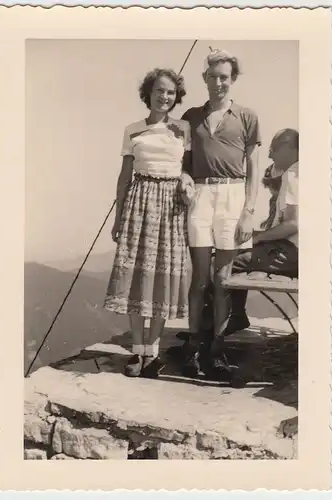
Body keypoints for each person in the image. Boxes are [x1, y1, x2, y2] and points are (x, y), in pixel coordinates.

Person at [104, 68, 191, 379]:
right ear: (148, 93)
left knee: (163, 278)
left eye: (170, 92)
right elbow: (124, 176)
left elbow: (190, 168)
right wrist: (118, 217)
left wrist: (186, 182)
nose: (164, 96)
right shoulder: (133, 130)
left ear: (176, 96)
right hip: (139, 204)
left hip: (171, 206)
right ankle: (136, 350)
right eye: (159, 90)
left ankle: (152, 353)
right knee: (136, 277)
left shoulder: (184, 130)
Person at [180, 48, 261, 378]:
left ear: (233, 79)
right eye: (212, 77)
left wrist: (248, 212)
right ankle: (195, 346)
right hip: (200, 193)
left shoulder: (247, 116)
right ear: (204, 79)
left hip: (233, 193)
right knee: (199, 278)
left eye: (224, 77)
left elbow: (254, 167)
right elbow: (183, 164)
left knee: (222, 279)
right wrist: (185, 179)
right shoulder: (190, 117)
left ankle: (217, 348)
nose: (218, 83)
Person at [225, 128, 299, 335]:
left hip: (294, 252)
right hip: (300, 249)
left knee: (222, 261)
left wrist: (257, 238)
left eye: (274, 149)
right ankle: (234, 316)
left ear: (289, 148)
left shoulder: (294, 173)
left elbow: (294, 224)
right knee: (238, 247)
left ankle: (210, 332)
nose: (270, 155)